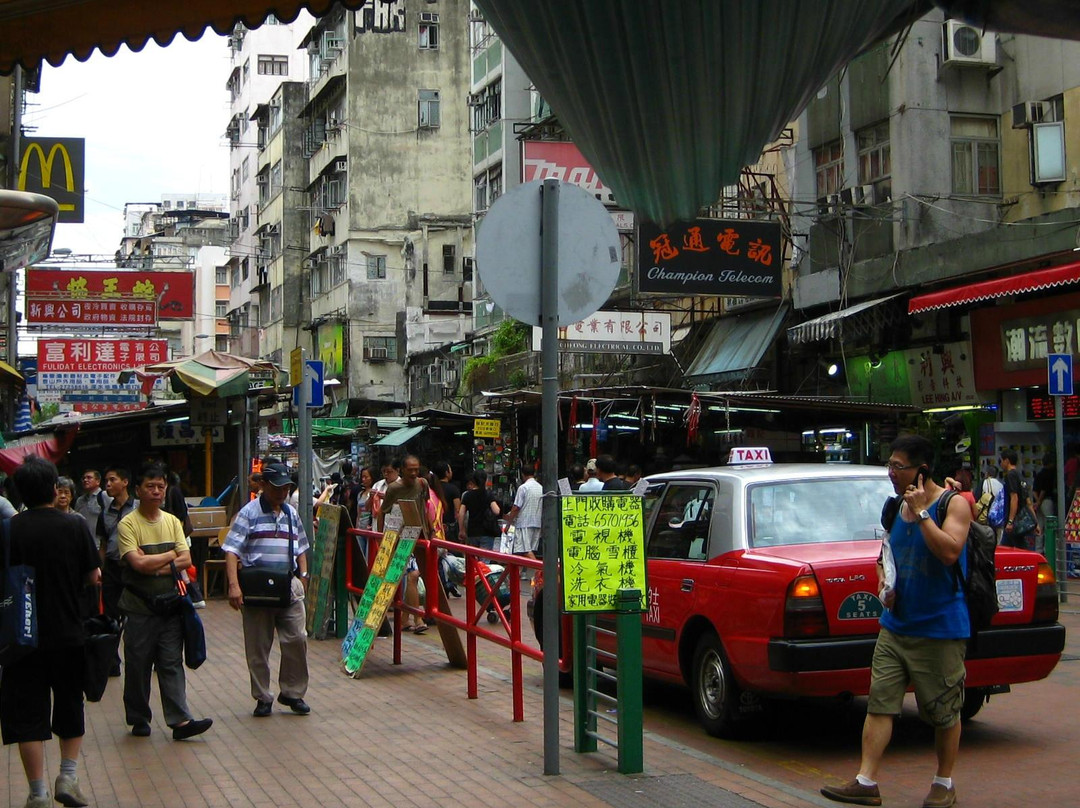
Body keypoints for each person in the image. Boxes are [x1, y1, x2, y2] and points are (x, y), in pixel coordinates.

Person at [821, 435, 970, 808]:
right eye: (889, 465)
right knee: (880, 703)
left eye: (897, 466)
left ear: (920, 470)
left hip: (939, 630)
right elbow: (884, 553)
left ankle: (944, 782)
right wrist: (883, 581)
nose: (890, 473)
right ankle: (866, 780)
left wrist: (921, 514)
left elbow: (950, 552)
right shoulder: (895, 508)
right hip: (895, 627)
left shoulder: (952, 505)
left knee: (943, 712)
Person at [0, 457, 100, 808]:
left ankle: (38, 792)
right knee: (70, 702)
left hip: (20, 637)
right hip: (68, 631)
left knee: (28, 715)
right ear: (53, 489)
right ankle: (68, 778)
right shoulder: (74, 526)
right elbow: (93, 577)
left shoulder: (8, 529)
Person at [117, 464, 213, 741]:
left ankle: (180, 721)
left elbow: (186, 559)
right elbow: (136, 564)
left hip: (171, 607)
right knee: (138, 665)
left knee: (171, 662)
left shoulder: (172, 521)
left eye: (161, 486)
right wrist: (170, 557)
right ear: (138, 490)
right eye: (150, 486)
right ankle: (138, 717)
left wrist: (155, 564)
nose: (157, 491)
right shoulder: (128, 524)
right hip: (138, 608)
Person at [223, 462, 312, 717]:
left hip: (289, 587)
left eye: (286, 487)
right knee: (258, 646)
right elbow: (231, 550)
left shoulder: (291, 513)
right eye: (276, 487)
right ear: (263, 486)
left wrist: (303, 577)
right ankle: (263, 696)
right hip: (257, 590)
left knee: (297, 638)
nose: (282, 492)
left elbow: (302, 547)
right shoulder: (248, 513)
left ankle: (292, 692)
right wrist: (234, 586)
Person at [378, 455, 433, 633]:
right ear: (402, 470)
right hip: (402, 538)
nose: (414, 473)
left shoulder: (422, 484)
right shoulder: (394, 488)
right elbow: (382, 512)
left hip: (421, 537)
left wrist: (431, 531)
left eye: (417, 469)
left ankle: (405, 619)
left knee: (417, 576)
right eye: (410, 470)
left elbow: (425, 508)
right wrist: (381, 539)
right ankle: (417, 618)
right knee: (411, 576)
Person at [97, 465, 136, 676]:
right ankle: (112, 661)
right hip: (112, 569)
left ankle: (139, 659)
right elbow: (103, 543)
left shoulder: (138, 508)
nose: (108, 485)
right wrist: (100, 570)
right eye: (106, 481)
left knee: (134, 617)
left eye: (112, 480)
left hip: (134, 569)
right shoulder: (106, 511)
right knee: (111, 618)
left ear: (125, 482)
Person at [999, 450, 1040, 549]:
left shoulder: (1010, 476)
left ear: (1007, 461)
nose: (1001, 463)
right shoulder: (1020, 476)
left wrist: (1010, 521)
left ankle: (1033, 562)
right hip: (1019, 522)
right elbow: (1028, 502)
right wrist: (1036, 522)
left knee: (1020, 548)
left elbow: (1014, 498)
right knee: (1006, 548)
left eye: (1001, 461)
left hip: (1014, 523)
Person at [504, 464, 543, 564]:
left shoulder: (523, 488)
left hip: (524, 523)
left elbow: (516, 507)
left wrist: (509, 524)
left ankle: (541, 571)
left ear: (522, 474)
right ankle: (524, 575)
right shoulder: (540, 488)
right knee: (528, 550)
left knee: (525, 551)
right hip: (537, 522)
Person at [458, 471, 501, 552]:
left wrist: (461, 530)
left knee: (473, 559)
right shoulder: (488, 494)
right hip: (487, 532)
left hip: (472, 532)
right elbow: (496, 511)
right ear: (485, 480)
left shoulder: (467, 495)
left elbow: (461, 513)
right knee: (484, 561)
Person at [433, 461, 462, 544]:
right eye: (450, 470)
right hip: (449, 527)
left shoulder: (431, 488)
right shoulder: (453, 489)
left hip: (435, 526)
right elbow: (458, 510)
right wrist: (460, 529)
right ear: (447, 473)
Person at [1032, 452, 1056, 547]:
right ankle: (1048, 549)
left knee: (1040, 526)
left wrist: (1037, 502)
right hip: (1046, 501)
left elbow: (1034, 490)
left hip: (1039, 502)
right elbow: (1044, 490)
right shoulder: (1050, 474)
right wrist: (1039, 501)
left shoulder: (1039, 474)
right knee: (1049, 526)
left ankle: (1038, 549)